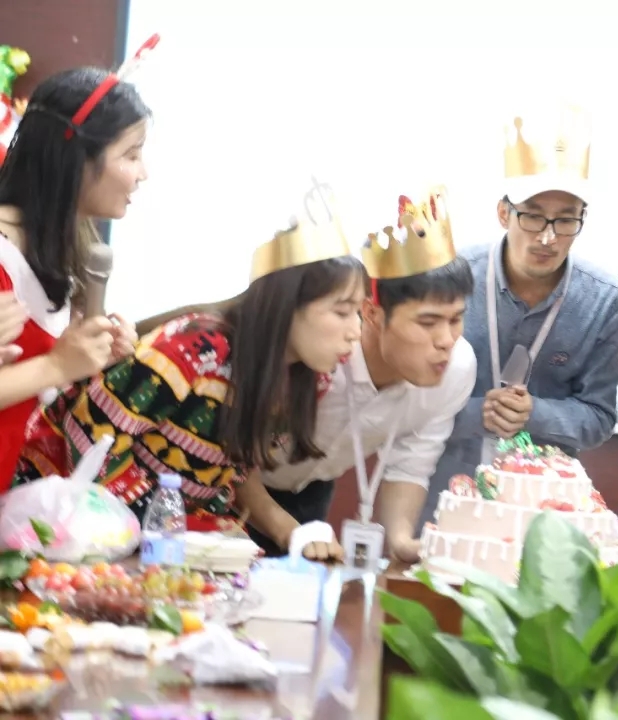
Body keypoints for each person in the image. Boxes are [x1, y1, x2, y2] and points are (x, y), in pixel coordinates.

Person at [15, 182, 362, 561]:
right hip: (60, 518)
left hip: (162, 529)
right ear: (287, 306)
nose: (356, 331)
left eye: (359, 313)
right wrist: (162, 521)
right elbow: (89, 428)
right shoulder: (199, 348)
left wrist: (286, 532)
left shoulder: (309, 378)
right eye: (342, 312)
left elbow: (230, 471)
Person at [423, 105, 618, 527]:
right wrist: (476, 413)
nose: (548, 237)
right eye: (533, 216)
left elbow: (600, 416)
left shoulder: (603, 301)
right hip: (442, 494)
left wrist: (534, 414)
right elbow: (409, 397)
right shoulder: (454, 278)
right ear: (504, 213)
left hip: (543, 513)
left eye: (565, 221)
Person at [256, 188, 476, 564]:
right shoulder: (322, 350)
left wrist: (402, 541)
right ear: (372, 313)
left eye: (456, 319)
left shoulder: (456, 368)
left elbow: (413, 459)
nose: (446, 340)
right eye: (428, 322)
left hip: (312, 492)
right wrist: (285, 530)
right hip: (234, 486)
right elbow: (231, 454)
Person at [0, 67, 149, 491]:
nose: (143, 173)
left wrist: (86, 354)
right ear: (77, 160)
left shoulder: (59, 247)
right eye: (131, 155)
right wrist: (57, 364)